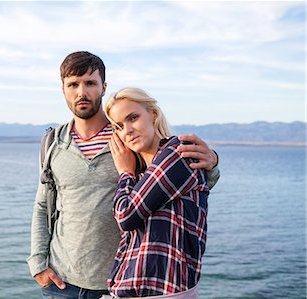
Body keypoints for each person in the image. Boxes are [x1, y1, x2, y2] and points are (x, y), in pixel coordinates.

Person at [27, 51, 220, 299]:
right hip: (61, 282)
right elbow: (42, 206)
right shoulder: (52, 143)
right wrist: (38, 264)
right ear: (63, 89)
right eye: (72, 85)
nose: (81, 92)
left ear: (103, 86)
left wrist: (212, 162)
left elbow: (182, 180)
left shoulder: (129, 139)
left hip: (118, 284)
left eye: (90, 83)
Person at [104, 87, 209, 298]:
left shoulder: (178, 153)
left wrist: (124, 172)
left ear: (153, 114)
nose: (127, 130)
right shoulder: (141, 174)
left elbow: (126, 216)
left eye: (133, 118)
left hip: (165, 293)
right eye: (118, 126)